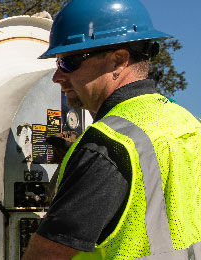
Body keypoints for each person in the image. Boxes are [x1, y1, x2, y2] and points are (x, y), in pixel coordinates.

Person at [22, 0, 201, 259]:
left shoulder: (107, 145)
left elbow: (47, 255)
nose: (57, 76)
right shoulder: (187, 124)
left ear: (118, 61)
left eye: (69, 62)